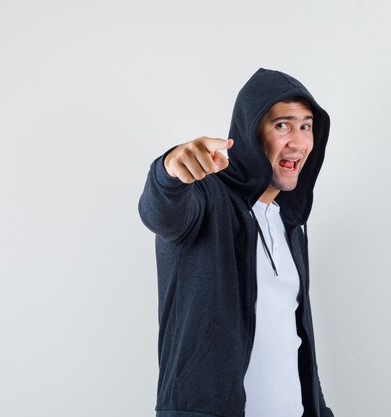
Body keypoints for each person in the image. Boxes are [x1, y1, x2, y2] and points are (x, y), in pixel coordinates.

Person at [139, 68, 334, 417]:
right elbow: (161, 214)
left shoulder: (288, 223)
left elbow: (294, 339)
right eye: (282, 125)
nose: (299, 141)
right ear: (249, 131)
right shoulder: (204, 198)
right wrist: (169, 171)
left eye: (306, 126)